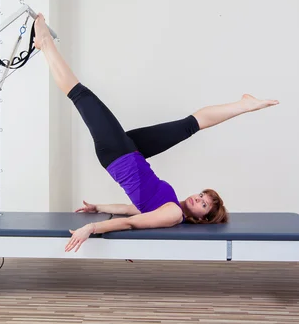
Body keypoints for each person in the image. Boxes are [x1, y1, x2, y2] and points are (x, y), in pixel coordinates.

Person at [33, 14, 279, 253]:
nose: (199, 199)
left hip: (119, 155)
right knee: (189, 125)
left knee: (81, 96)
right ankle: (244, 104)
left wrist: (92, 228)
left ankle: (45, 44)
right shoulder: (174, 206)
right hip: (134, 154)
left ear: (202, 219)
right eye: (203, 195)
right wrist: (99, 206)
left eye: (204, 205)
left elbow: (130, 223)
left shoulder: (173, 214)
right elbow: (133, 210)